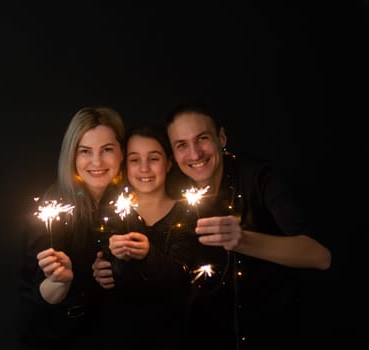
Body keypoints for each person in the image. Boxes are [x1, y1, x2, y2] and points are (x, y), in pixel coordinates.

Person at [165, 101, 332, 350]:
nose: (195, 154)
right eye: (181, 145)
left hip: (273, 336)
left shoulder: (259, 178)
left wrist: (243, 240)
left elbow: (320, 256)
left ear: (221, 137)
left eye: (202, 138)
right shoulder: (173, 190)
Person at [92, 123, 226, 349]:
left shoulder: (190, 214)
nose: (144, 168)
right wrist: (113, 261)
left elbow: (184, 281)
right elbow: (115, 282)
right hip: (122, 336)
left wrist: (148, 254)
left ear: (169, 162)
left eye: (153, 158)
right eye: (135, 160)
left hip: (178, 335)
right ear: (125, 165)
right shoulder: (113, 214)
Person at [17, 106, 126, 350]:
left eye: (107, 149)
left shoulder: (130, 201)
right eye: (85, 151)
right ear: (71, 157)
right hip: (61, 337)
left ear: (121, 152)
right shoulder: (54, 207)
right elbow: (36, 299)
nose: (97, 162)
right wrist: (60, 282)